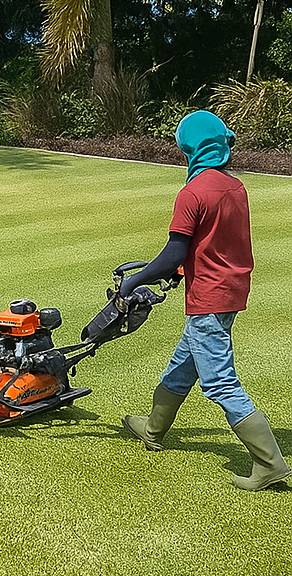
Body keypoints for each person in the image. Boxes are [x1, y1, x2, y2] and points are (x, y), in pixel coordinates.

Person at [117, 110, 289, 491]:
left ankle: (269, 463)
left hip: (209, 297)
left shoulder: (192, 193)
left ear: (189, 149)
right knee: (184, 364)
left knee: (220, 382)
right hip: (231, 290)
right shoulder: (235, 187)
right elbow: (214, 243)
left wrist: (136, 280)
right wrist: (182, 271)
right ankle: (153, 428)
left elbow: (175, 252)